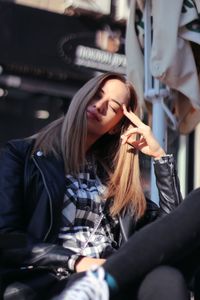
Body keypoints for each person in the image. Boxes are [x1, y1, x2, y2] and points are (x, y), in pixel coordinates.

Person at [0, 72, 187, 300]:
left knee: (167, 278)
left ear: (116, 126)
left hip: (112, 277)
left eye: (113, 106)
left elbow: (171, 234)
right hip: (54, 280)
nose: (99, 106)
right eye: (96, 95)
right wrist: (77, 261)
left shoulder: (117, 184)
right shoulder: (23, 157)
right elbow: (7, 238)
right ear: (82, 96)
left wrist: (160, 158)